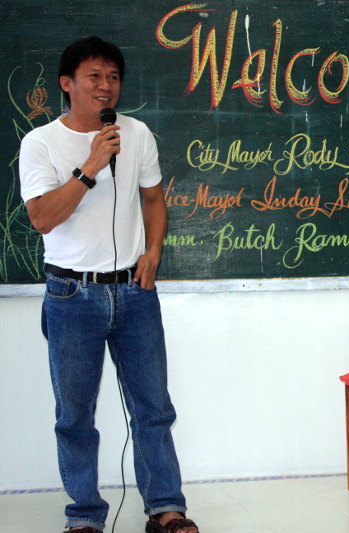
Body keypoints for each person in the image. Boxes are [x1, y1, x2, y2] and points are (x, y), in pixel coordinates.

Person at [18, 37, 199, 533]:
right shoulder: (40, 143)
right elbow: (41, 218)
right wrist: (90, 166)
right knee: (75, 414)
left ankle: (166, 509)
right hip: (72, 294)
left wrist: (155, 251)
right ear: (67, 83)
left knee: (153, 407)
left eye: (113, 77)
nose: (105, 87)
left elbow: (154, 200)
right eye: (95, 76)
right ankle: (83, 517)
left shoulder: (136, 133)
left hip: (135, 292)